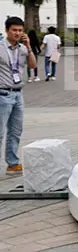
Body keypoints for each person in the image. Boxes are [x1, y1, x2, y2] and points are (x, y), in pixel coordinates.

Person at [0, 17, 37, 174]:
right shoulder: (1, 47)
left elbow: (33, 65)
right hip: (2, 93)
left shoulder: (22, 48)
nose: (17, 33)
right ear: (7, 30)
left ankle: (13, 163)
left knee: (15, 131)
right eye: (14, 30)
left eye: (20, 30)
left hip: (17, 94)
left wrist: (28, 47)